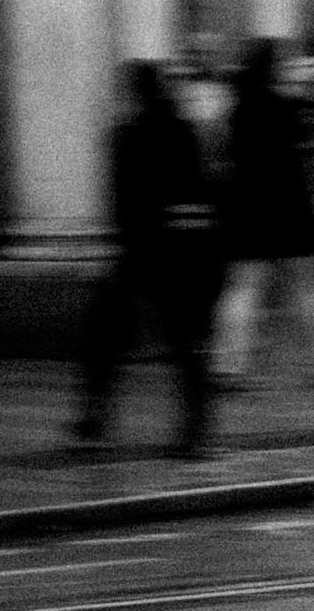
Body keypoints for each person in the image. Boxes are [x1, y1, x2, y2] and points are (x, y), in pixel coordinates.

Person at [71, 57, 224, 457]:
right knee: (184, 345)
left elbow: (120, 200)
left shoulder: (124, 136)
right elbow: (201, 188)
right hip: (182, 251)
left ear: (134, 92)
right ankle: (196, 431)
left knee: (103, 337)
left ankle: (94, 418)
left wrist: (122, 240)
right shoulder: (185, 130)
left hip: (140, 253)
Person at [215, 39, 314, 386]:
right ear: (274, 68)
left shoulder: (237, 109)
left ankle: (228, 366)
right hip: (292, 208)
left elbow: (226, 158)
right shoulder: (288, 107)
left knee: (242, 289)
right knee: (310, 289)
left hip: (249, 209)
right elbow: (311, 153)